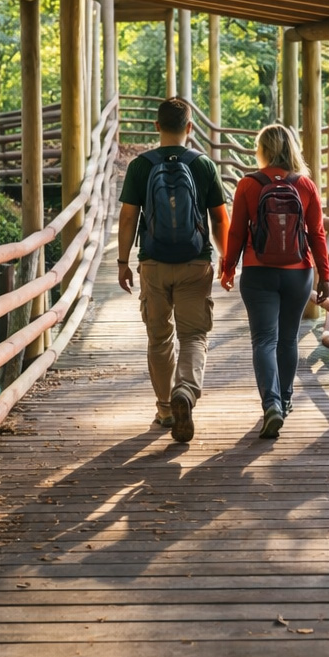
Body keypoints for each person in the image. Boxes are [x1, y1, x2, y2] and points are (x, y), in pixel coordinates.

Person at [117, 97, 229, 444]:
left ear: (156, 126)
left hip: (153, 263)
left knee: (159, 337)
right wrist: (227, 258)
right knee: (194, 335)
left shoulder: (140, 166)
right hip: (195, 263)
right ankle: (186, 391)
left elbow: (127, 217)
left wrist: (123, 262)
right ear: (190, 128)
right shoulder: (204, 165)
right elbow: (219, 217)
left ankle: (166, 408)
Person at [219, 124, 329, 439]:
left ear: (263, 150)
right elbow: (317, 235)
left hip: (259, 272)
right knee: (289, 338)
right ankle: (285, 397)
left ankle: (271, 405)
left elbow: (237, 232)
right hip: (299, 273)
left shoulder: (248, 185)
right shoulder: (306, 185)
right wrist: (325, 275)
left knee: (264, 340)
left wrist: (228, 269)